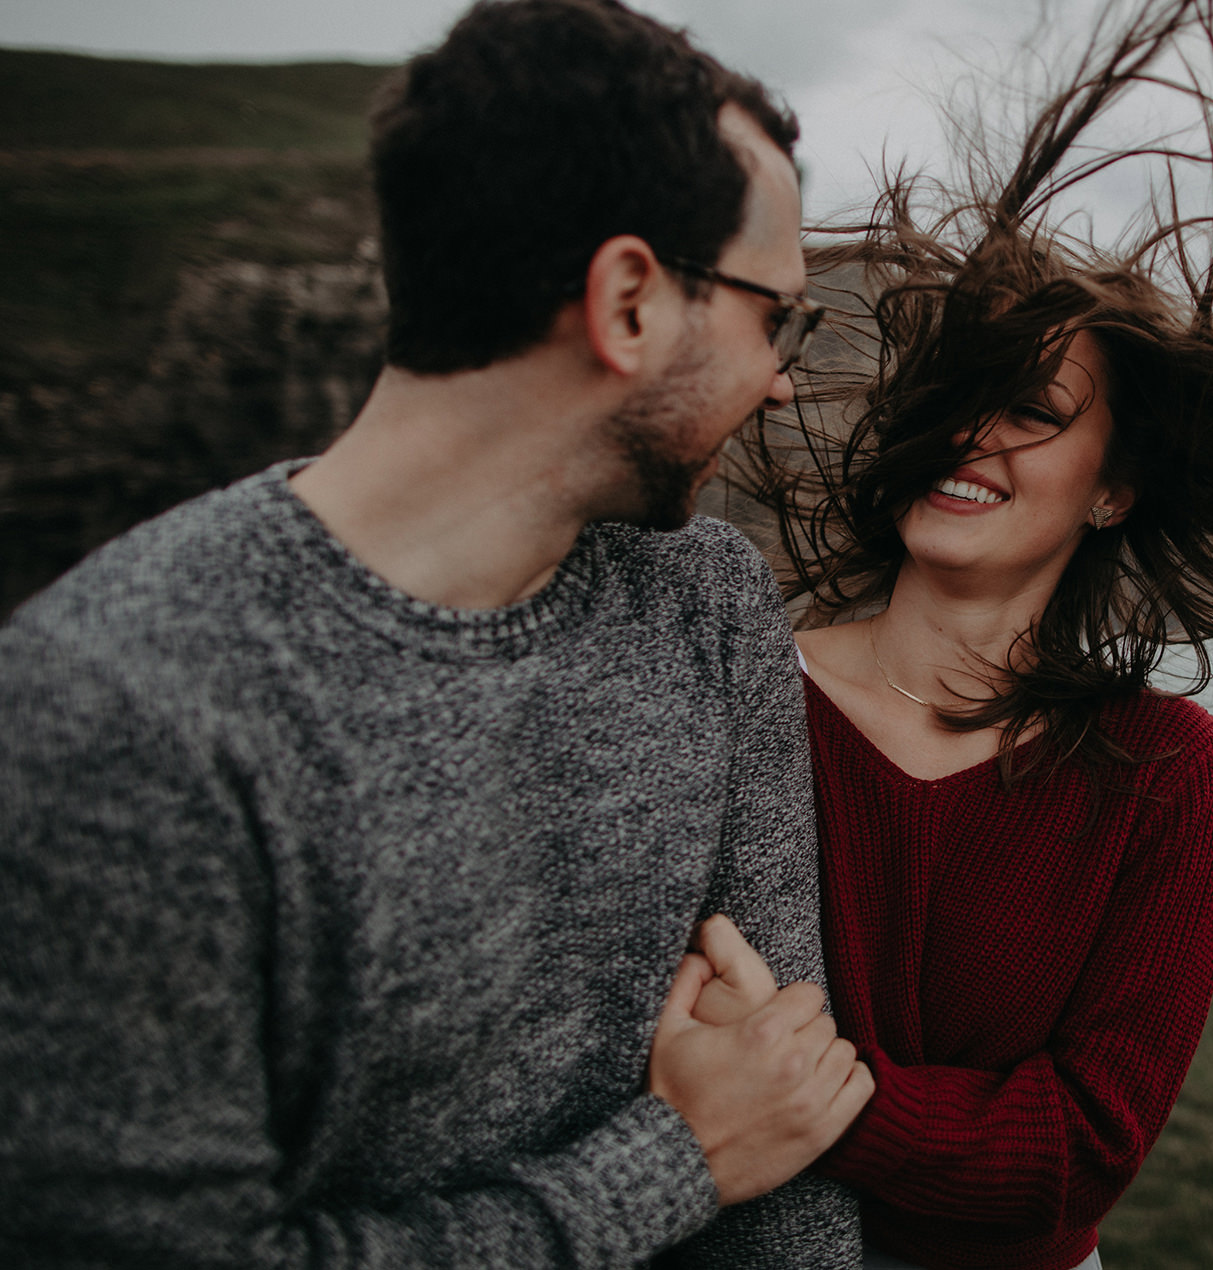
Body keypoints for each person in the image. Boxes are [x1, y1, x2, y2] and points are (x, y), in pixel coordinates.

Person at [0, 1, 870, 1265]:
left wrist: (736, 1144)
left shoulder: (705, 596)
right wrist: (671, 1162)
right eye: (771, 316)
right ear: (629, 299)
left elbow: (783, 1108)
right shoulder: (114, 710)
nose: (782, 375)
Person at [705, 2, 1213, 1267]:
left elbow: (1081, 1146)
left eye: (1034, 411)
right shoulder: (749, 687)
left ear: (1110, 491)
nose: (973, 437)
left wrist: (790, 1107)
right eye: (957, 401)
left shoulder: (1166, 769)